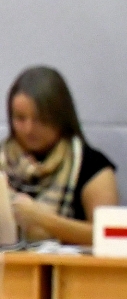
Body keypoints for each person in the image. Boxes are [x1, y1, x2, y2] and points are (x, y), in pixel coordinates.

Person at [3, 66, 119, 245]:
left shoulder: (92, 167)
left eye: (40, 119)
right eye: (20, 118)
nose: (28, 129)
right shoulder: (3, 161)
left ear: (60, 117)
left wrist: (42, 219)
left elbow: (108, 235)